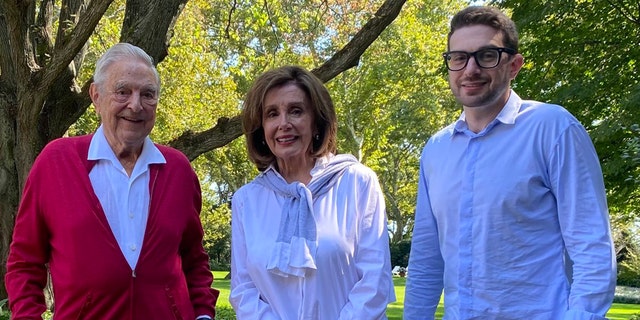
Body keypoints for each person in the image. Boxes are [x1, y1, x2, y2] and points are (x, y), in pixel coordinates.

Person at [403, 6, 616, 319]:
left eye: (487, 55)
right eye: (458, 57)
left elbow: (591, 246)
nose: (470, 69)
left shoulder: (552, 128)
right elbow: (426, 259)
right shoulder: (436, 149)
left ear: (514, 65)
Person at [5, 43, 219, 319]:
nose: (136, 105)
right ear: (96, 96)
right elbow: (24, 262)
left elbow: (194, 258)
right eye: (122, 91)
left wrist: (203, 315)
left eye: (148, 94)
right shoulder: (56, 162)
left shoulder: (178, 170)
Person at [230, 65, 395, 319]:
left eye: (296, 111)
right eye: (272, 114)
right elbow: (244, 290)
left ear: (317, 122)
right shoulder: (246, 201)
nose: (283, 123)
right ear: (261, 129)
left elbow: (375, 282)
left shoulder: (358, 183)